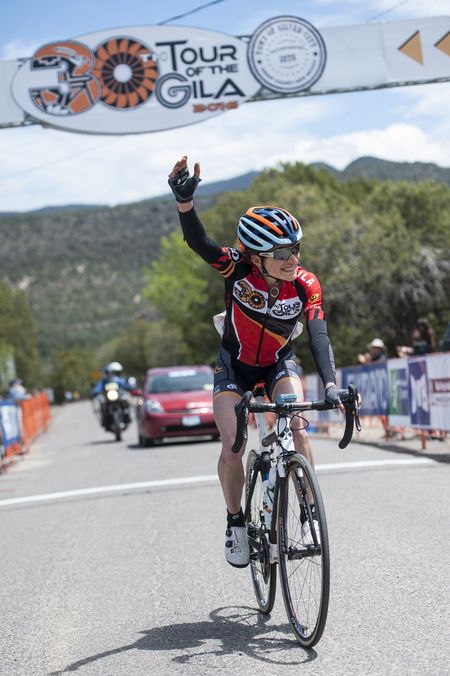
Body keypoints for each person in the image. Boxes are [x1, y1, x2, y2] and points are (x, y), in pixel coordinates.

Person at [168, 156, 348, 568]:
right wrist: (185, 205)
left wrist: (332, 384)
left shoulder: (305, 285)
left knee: (297, 428)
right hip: (235, 366)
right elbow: (201, 244)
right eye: (282, 251)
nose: (293, 258)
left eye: (296, 248)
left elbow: (318, 336)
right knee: (234, 444)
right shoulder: (237, 269)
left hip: (278, 363)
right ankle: (235, 522)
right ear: (259, 255)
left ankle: (308, 513)